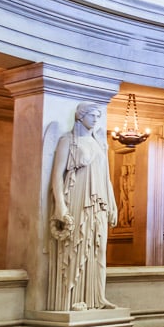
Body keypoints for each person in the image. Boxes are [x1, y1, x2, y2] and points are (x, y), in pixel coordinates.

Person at [48, 102, 118, 311]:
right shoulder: (68, 141)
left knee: (99, 248)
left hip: (99, 201)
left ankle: (97, 297)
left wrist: (113, 204)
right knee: (79, 244)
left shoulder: (98, 143)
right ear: (80, 116)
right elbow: (56, 177)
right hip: (78, 199)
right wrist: (60, 206)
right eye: (92, 115)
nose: (96, 119)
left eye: (98, 116)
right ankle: (74, 298)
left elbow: (106, 177)